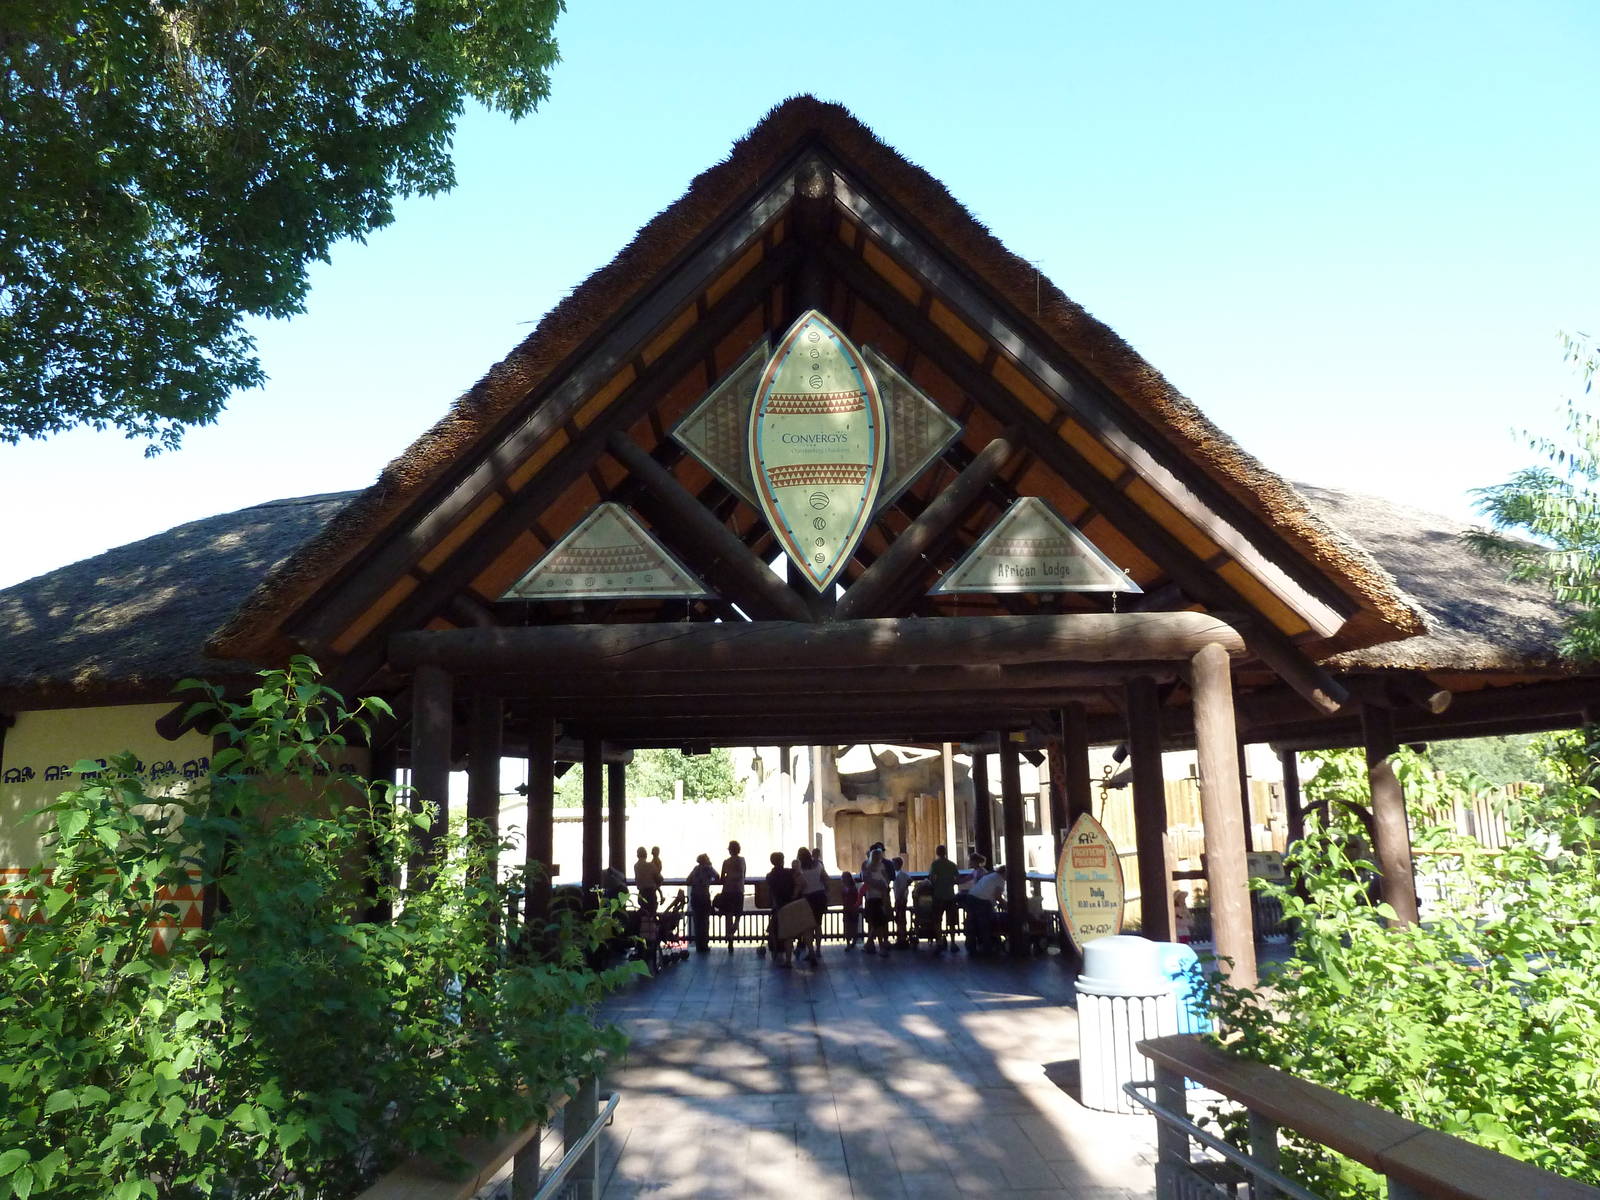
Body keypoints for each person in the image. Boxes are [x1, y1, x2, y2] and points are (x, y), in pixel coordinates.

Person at [959, 859, 1007, 954]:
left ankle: (971, 946)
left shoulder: (990, 876)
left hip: (971, 896)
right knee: (984, 924)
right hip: (982, 901)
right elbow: (998, 897)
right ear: (1005, 873)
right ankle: (987, 947)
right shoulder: (1000, 880)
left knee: (972, 923)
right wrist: (1006, 906)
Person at [794, 846, 829, 965]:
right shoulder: (818, 865)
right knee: (818, 925)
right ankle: (818, 950)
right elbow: (826, 878)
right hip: (820, 896)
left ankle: (811, 952)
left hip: (807, 899)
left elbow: (800, 885)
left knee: (807, 927)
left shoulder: (800, 869)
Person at [765, 850, 797, 966]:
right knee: (789, 932)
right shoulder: (789, 873)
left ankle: (775, 951)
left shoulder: (770, 876)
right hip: (789, 904)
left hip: (777, 906)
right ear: (782, 861)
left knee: (775, 929)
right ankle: (789, 958)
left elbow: (771, 892)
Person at [927, 844, 960, 953]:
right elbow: (957, 879)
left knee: (937, 920)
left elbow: (931, 878)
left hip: (938, 895)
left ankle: (940, 941)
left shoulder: (935, 864)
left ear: (937, 852)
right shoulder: (952, 865)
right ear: (945, 852)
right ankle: (953, 942)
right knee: (951, 921)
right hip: (950, 895)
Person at [861, 846, 892, 956]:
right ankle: (880, 946)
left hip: (881, 897)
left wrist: (885, 885)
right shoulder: (866, 866)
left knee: (879, 922)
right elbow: (866, 880)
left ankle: (870, 943)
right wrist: (879, 885)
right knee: (877, 922)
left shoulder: (882, 866)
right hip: (872, 897)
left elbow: (886, 878)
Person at [718, 840, 746, 953]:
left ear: (730, 850)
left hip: (727, 890)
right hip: (739, 890)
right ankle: (736, 924)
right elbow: (743, 874)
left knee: (728, 914)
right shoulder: (742, 860)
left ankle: (730, 938)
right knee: (738, 912)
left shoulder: (726, 862)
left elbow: (722, 877)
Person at [686, 853, 718, 952]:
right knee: (704, 922)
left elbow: (688, 880)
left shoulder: (696, 869)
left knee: (697, 922)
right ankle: (704, 944)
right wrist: (709, 881)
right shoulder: (708, 868)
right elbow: (717, 877)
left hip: (695, 897)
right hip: (704, 897)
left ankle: (698, 945)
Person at [892, 856, 913, 947]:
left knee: (899, 918)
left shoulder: (898, 875)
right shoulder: (903, 874)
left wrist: (900, 896)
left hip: (899, 898)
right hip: (903, 898)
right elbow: (910, 880)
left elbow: (901, 887)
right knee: (901, 917)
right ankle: (902, 936)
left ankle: (901, 937)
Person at [633, 846, 660, 915]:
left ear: (637, 855)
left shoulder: (636, 866)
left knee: (643, 914)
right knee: (651, 914)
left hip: (642, 893)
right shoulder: (651, 866)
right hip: (651, 893)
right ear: (646, 855)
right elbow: (659, 878)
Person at [840, 870, 862, 950]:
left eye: (843, 877)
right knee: (848, 926)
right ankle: (849, 942)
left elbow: (856, 898)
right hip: (847, 909)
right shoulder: (845, 887)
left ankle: (853, 941)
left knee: (852, 926)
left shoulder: (853, 888)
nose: (842, 879)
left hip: (852, 909)